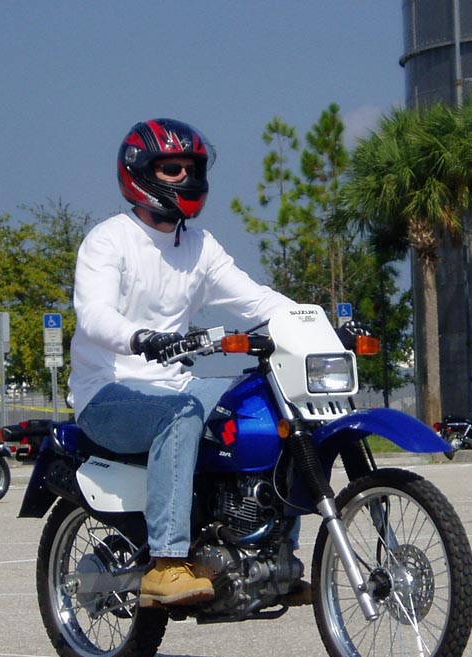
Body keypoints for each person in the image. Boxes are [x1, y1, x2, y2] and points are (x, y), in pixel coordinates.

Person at [69, 117, 301, 606]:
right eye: (172, 169)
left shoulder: (199, 246)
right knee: (180, 414)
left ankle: (277, 556)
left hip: (174, 385)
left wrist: (313, 320)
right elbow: (93, 316)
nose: (186, 178)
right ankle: (167, 562)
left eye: (192, 168)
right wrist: (140, 338)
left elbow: (256, 300)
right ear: (140, 172)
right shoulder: (109, 240)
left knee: (267, 403)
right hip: (106, 393)